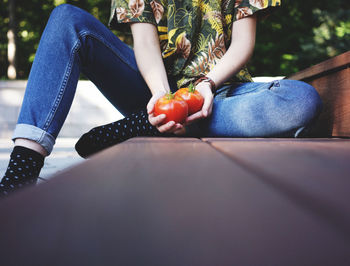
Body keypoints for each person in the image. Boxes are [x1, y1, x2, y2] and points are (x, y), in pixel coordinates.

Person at [0, 0, 322, 197]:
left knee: (301, 100)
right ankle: (21, 171)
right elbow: (145, 44)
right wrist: (162, 97)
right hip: (153, 93)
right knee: (66, 20)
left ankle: (150, 127)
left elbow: (243, 43)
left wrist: (206, 86)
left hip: (220, 92)